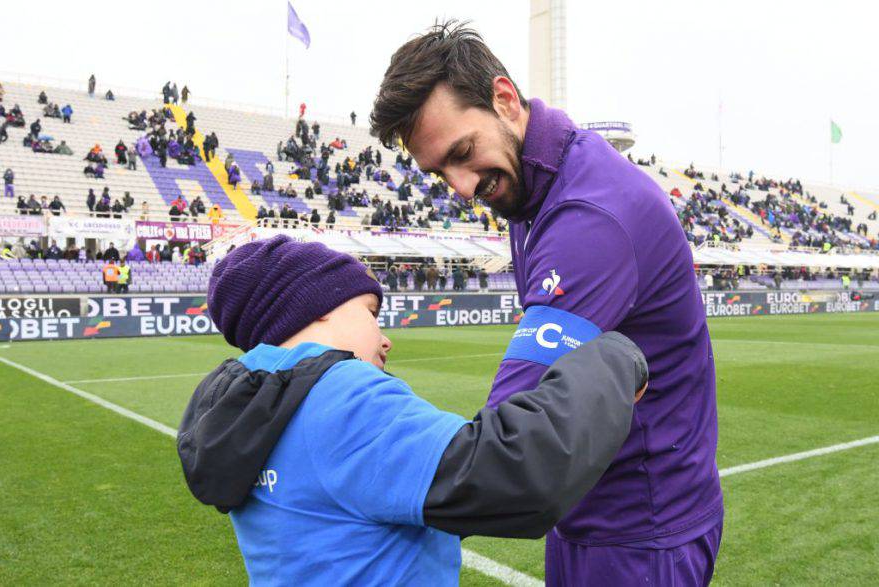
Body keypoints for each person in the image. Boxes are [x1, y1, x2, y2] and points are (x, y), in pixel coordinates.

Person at [370, 21, 722, 585]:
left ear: (504, 99)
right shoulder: (529, 185)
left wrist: (364, 487)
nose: (460, 187)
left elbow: (509, 449)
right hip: (591, 511)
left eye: (463, 152)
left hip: (640, 529)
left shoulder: (590, 215)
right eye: (440, 171)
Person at [177, 235, 647, 586]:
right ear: (316, 309)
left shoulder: (255, 407)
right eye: (370, 312)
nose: (385, 338)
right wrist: (614, 358)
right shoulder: (338, 392)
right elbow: (513, 475)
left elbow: (356, 519)